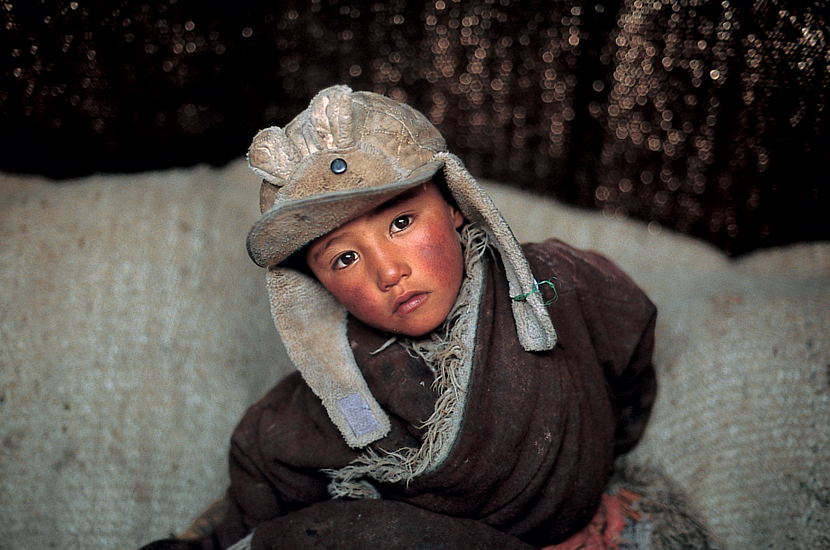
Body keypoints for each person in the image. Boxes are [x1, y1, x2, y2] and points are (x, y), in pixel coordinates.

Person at [141, 85, 664, 550]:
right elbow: (263, 452)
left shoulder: (561, 283)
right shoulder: (345, 381)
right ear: (317, 284)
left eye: (402, 222)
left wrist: (609, 458)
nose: (389, 271)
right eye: (344, 259)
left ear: (456, 202)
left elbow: (630, 333)